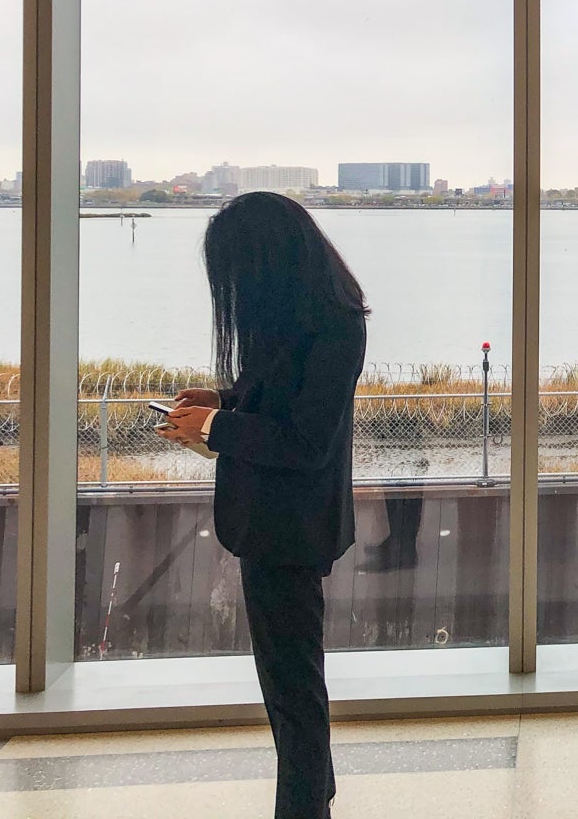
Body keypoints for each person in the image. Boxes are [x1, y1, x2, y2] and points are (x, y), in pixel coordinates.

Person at [159, 191, 368, 819]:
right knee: (288, 683)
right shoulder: (301, 317)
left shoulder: (337, 326)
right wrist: (221, 400)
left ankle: (304, 806)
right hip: (270, 524)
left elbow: (305, 441)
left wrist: (216, 427)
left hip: (291, 529)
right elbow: (278, 398)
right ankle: (314, 794)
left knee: (292, 689)